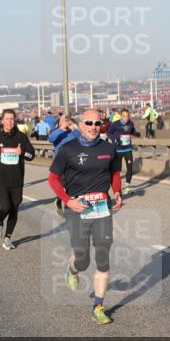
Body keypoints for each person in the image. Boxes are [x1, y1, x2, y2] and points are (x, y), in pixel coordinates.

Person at [48, 108, 124, 325]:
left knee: (103, 258)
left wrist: (117, 192)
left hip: (102, 209)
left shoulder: (109, 148)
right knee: (82, 259)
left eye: (97, 123)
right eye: (89, 123)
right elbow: (53, 179)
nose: (93, 127)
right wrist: (68, 200)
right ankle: (73, 269)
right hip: (77, 209)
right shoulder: (68, 149)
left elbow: (115, 173)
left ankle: (98, 306)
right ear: (80, 125)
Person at [0, 109, 35, 250]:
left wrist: (22, 153)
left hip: (16, 179)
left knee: (14, 209)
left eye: (12, 119)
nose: (10, 121)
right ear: (2, 120)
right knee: (5, 207)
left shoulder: (21, 137)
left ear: (15, 120)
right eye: (7, 119)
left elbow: (31, 155)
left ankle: (7, 238)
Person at [49, 115, 80, 217]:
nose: (65, 122)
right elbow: (51, 139)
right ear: (59, 122)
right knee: (62, 186)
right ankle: (59, 200)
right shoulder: (56, 132)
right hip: (61, 163)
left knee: (74, 186)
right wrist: (61, 128)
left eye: (67, 120)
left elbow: (80, 140)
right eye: (63, 120)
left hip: (73, 163)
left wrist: (74, 129)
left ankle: (73, 209)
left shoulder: (73, 132)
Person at [107, 108, 138, 194]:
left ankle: (127, 187)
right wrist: (115, 140)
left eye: (127, 116)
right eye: (124, 116)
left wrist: (136, 133)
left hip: (128, 149)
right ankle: (117, 188)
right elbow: (109, 133)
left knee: (130, 168)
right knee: (118, 170)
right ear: (121, 116)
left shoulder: (131, 123)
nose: (126, 118)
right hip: (118, 150)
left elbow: (132, 131)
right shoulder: (115, 124)